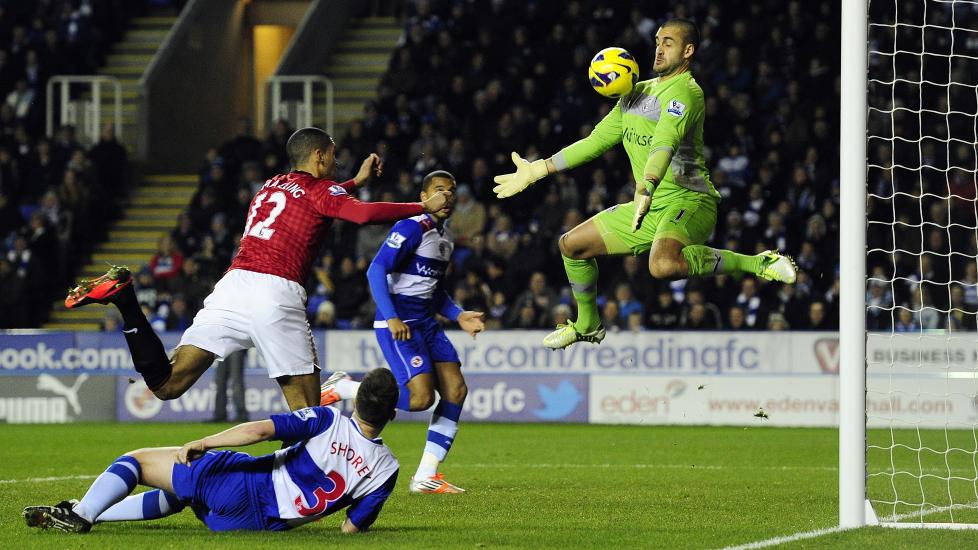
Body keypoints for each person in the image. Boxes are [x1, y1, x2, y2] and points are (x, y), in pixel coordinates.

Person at [63, 127, 451, 411]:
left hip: (232, 288)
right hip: (276, 292)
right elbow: (362, 214)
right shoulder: (322, 190)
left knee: (167, 384)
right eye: (332, 156)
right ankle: (293, 494)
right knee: (307, 411)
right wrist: (422, 206)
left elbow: (312, 199)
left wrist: (353, 181)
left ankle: (126, 299)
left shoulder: (271, 185)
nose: (335, 163)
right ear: (318, 156)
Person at [492, 19, 797, 349]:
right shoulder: (635, 93)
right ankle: (588, 324)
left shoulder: (686, 93)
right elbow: (595, 141)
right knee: (571, 245)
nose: (659, 48)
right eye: (657, 41)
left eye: (668, 42)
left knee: (663, 265)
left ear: (688, 50)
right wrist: (538, 169)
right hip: (646, 205)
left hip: (689, 200)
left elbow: (664, 142)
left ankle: (758, 263)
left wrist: (647, 185)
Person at [23, 369, 400, 534]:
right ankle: (91, 513)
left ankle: (84, 514)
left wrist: (205, 442)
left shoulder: (326, 419)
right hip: (251, 525)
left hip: (240, 485)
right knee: (177, 495)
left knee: (134, 461)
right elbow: (351, 528)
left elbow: (258, 431)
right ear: (392, 415)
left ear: (356, 400)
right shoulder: (387, 468)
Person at [320, 170, 485, 494]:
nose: (447, 196)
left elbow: (434, 290)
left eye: (451, 191)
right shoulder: (412, 226)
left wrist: (458, 314)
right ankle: (345, 388)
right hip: (400, 323)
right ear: (424, 197)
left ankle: (425, 476)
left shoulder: (445, 239)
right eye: (439, 190)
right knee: (421, 398)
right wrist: (393, 317)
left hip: (426, 322)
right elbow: (376, 269)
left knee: (456, 391)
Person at [212, 350, 248, 423]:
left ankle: (242, 415)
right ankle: (220, 415)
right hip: (223, 348)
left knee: (236, 380)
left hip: (237, 346)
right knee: (219, 381)